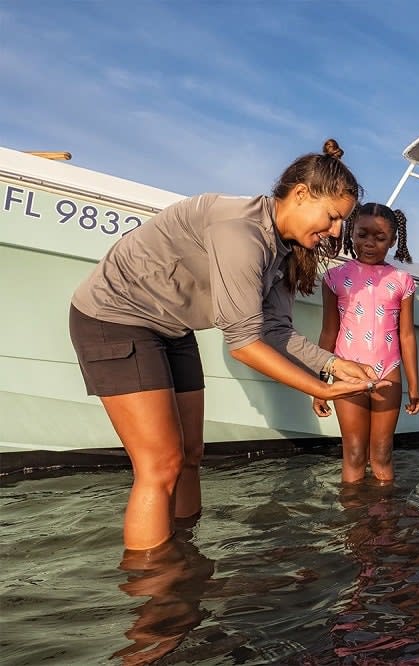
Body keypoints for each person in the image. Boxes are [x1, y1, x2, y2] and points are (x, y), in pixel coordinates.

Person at [69, 139, 390, 552]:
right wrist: (321, 388)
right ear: (301, 194)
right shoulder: (239, 230)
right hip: (114, 316)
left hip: (171, 327)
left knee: (190, 453)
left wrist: (333, 364)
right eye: (331, 218)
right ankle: (157, 591)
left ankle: (185, 548)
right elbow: (243, 342)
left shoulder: (284, 249)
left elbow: (273, 329)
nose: (334, 232)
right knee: (160, 465)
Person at [313, 202, 419, 485]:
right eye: (363, 235)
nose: (370, 243)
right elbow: (328, 333)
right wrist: (321, 386)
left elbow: (407, 336)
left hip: (388, 373)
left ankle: (386, 525)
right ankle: (355, 528)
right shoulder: (334, 278)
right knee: (353, 453)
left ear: (393, 241)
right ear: (351, 232)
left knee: (383, 455)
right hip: (346, 373)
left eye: (380, 238)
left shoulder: (402, 281)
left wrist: (414, 386)